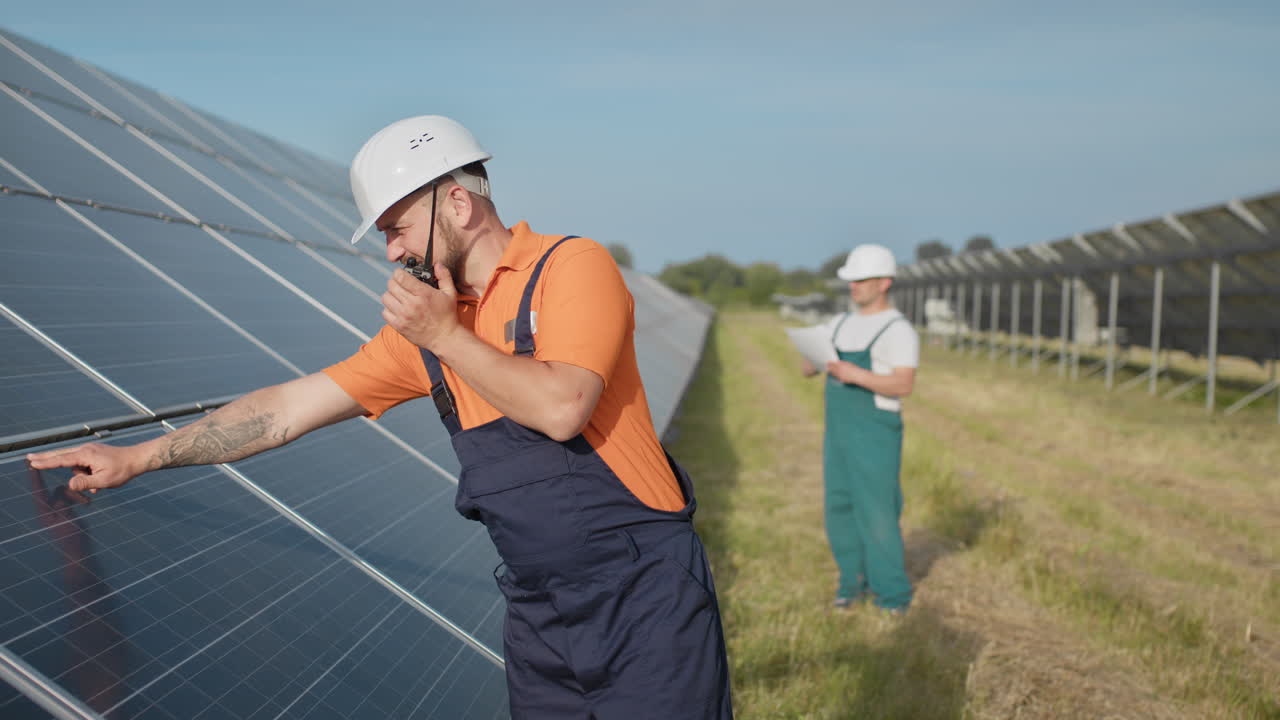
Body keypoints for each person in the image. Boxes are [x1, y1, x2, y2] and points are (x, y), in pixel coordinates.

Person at [28, 115, 734, 719]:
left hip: (644, 601)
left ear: (457, 204)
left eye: (397, 228)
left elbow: (561, 407)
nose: (392, 251)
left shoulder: (570, 268)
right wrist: (139, 457)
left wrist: (445, 337)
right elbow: (284, 411)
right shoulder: (428, 334)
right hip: (539, 614)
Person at [801, 243, 918, 614]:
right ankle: (851, 582)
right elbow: (808, 366)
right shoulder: (839, 323)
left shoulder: (898, 331)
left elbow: (903, 384)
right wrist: (811, 357)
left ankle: (892, 595)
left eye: (861, 280)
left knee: (877, 511)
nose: (853, 287)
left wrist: (856, 374)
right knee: (839, 505)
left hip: (875, 431)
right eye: (850, 280)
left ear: (885, 282)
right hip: (838, 431)